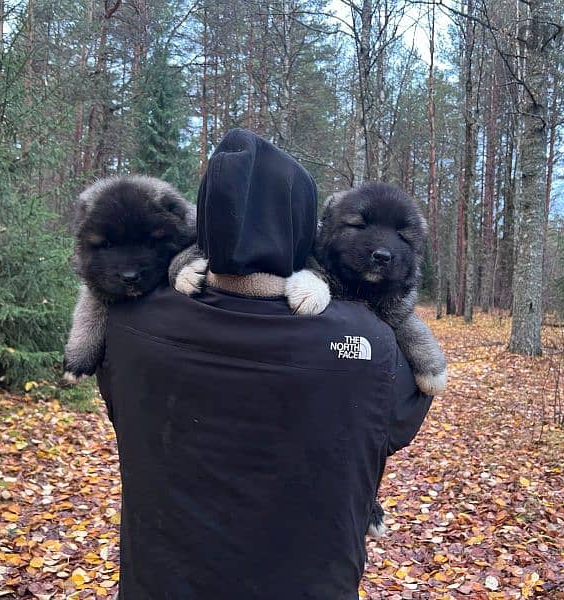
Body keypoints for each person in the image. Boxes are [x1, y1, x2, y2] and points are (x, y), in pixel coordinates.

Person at [96, 129, 432, 599]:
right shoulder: (370, 341)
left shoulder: (129, 323)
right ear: (304, 226)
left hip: (163, 582)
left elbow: (119, 402)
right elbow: (399, 421)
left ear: (204, 219)